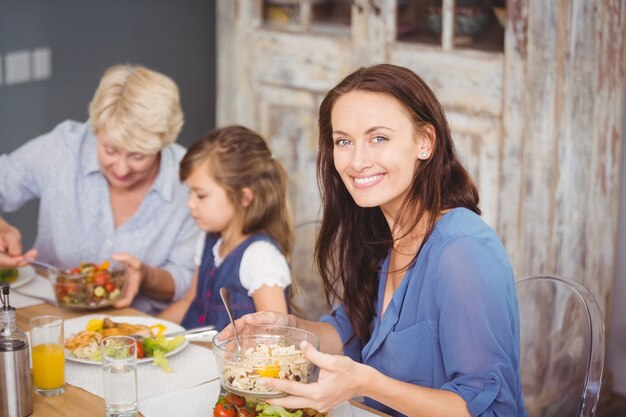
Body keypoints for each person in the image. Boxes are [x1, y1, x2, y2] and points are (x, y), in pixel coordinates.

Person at [223, 64, 527, 417]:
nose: (357, 161)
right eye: (344, 141)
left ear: (425, 142)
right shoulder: (381, 232)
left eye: (379, 138)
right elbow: (347, 331)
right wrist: (289, 328)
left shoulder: (463, 253)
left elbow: (489, 410)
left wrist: (367, 383)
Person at [0, 64, 199, 314]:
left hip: (134, 332)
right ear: (96, 130)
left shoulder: (188, 181)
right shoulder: (63, 148)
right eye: (110, 150)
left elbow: (186, 280)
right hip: (46, 316)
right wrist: (2, 228)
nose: (122, 169)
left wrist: (146, 276)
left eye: (138, 156)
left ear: (163, 141)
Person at [158, 125, 294, 331]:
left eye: (201, 195)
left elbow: (275, 336)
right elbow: (188, 303)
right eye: (189, 193)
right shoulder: (208, 240)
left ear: (244, 197)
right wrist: (145, 332)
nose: (190, 204)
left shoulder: (260, 256)